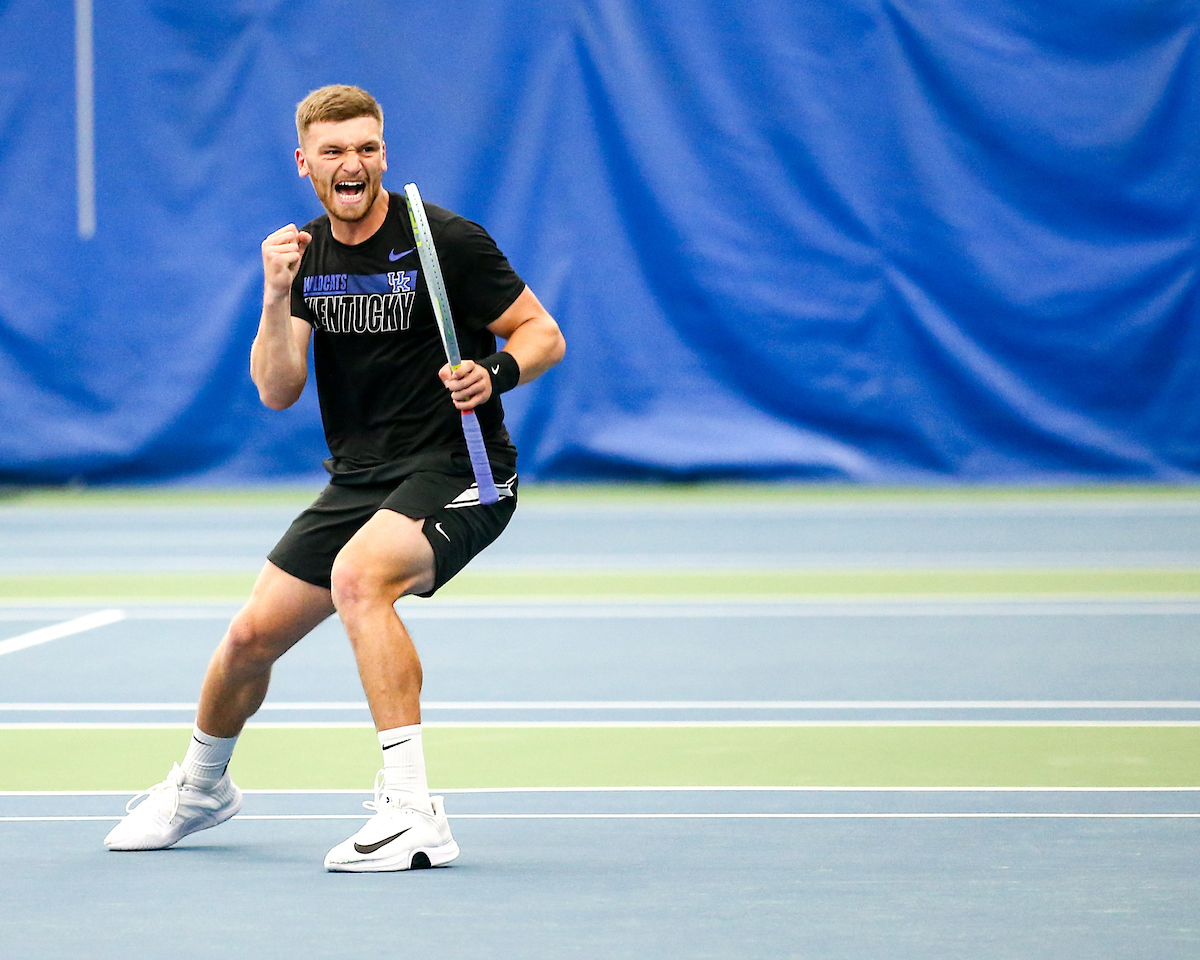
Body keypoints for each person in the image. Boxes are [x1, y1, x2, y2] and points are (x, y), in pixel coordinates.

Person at [103, 84, 566, 871]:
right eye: (335, 151)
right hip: (360, 478)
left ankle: (414, 810)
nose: (354, 163)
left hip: (460, 468)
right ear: (305, 164)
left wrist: (496, 372)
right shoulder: (302, 256)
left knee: (360, 578)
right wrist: (276, 293)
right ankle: (201, 787)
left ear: (383, 153)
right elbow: (277, 390)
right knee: (249, 637)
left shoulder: (443, 240)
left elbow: (541, 332)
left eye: (367, 148)